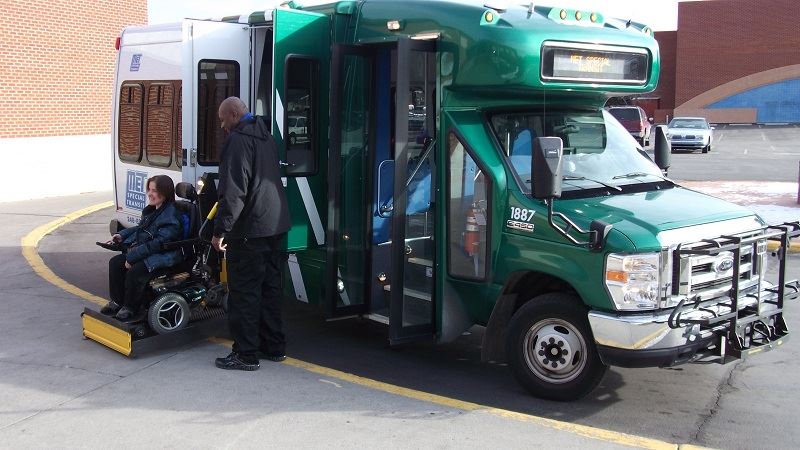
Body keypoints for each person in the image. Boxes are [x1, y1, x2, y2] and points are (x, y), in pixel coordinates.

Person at [212, 97, 290, 371]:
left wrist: (221, 231)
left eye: (223, 119)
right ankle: (273, 346)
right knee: (271, 289)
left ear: (234, 114)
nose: (222, 126)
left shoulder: (237, 141)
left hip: (250, 230)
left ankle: (245, 354)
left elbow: (234, 192)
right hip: (277, 225)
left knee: (245, 293)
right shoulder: (265, 136)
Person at [101, 175, 183, 321]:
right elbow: (140, 229)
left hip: (165, 255)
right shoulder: (153, 211)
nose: (150, 194)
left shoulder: (170, 216)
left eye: (154, 191)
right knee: (115, 263)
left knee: (135, 271)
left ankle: (131, 307)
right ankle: (118, 301)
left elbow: (158, 244)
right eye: (149, 190)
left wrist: (132, 257)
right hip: (151, 252)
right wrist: (121, 235)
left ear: (165, 192)